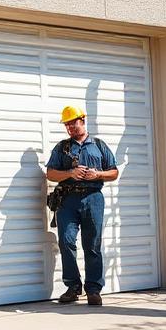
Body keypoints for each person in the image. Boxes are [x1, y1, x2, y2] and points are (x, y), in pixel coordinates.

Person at [46, 106, 118, 306]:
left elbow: (114, 172)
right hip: (68, 200)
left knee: (92, 244)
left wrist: (98, 175)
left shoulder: (99, 145)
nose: (69, 127)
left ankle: (93, 289)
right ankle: (73, 287)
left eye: (72, 122)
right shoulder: (62, 148)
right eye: (67, 124)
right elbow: (50, 173)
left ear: (82, 120)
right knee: (66, 241)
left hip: (93, 197)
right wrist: (70, 173)